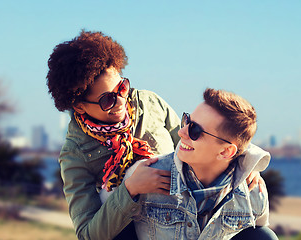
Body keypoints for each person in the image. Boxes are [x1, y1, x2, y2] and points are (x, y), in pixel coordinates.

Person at [46, 30, 266, 240]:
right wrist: (130, 189)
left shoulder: (150, 104)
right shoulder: (75, 154)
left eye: (122, 88)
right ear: (80, 106)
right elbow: (88, 234)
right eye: (107, 100)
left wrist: (243, 166)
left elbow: (198, 143)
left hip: (185, 216)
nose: (122, 101)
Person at [102, 88, 278, 240]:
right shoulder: (145, 176)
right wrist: (129, 189)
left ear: (226, 152)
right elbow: (103, 229)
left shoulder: (253, 191)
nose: (181, 132)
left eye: (195, 130)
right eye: (187, 120)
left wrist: (249, 167)